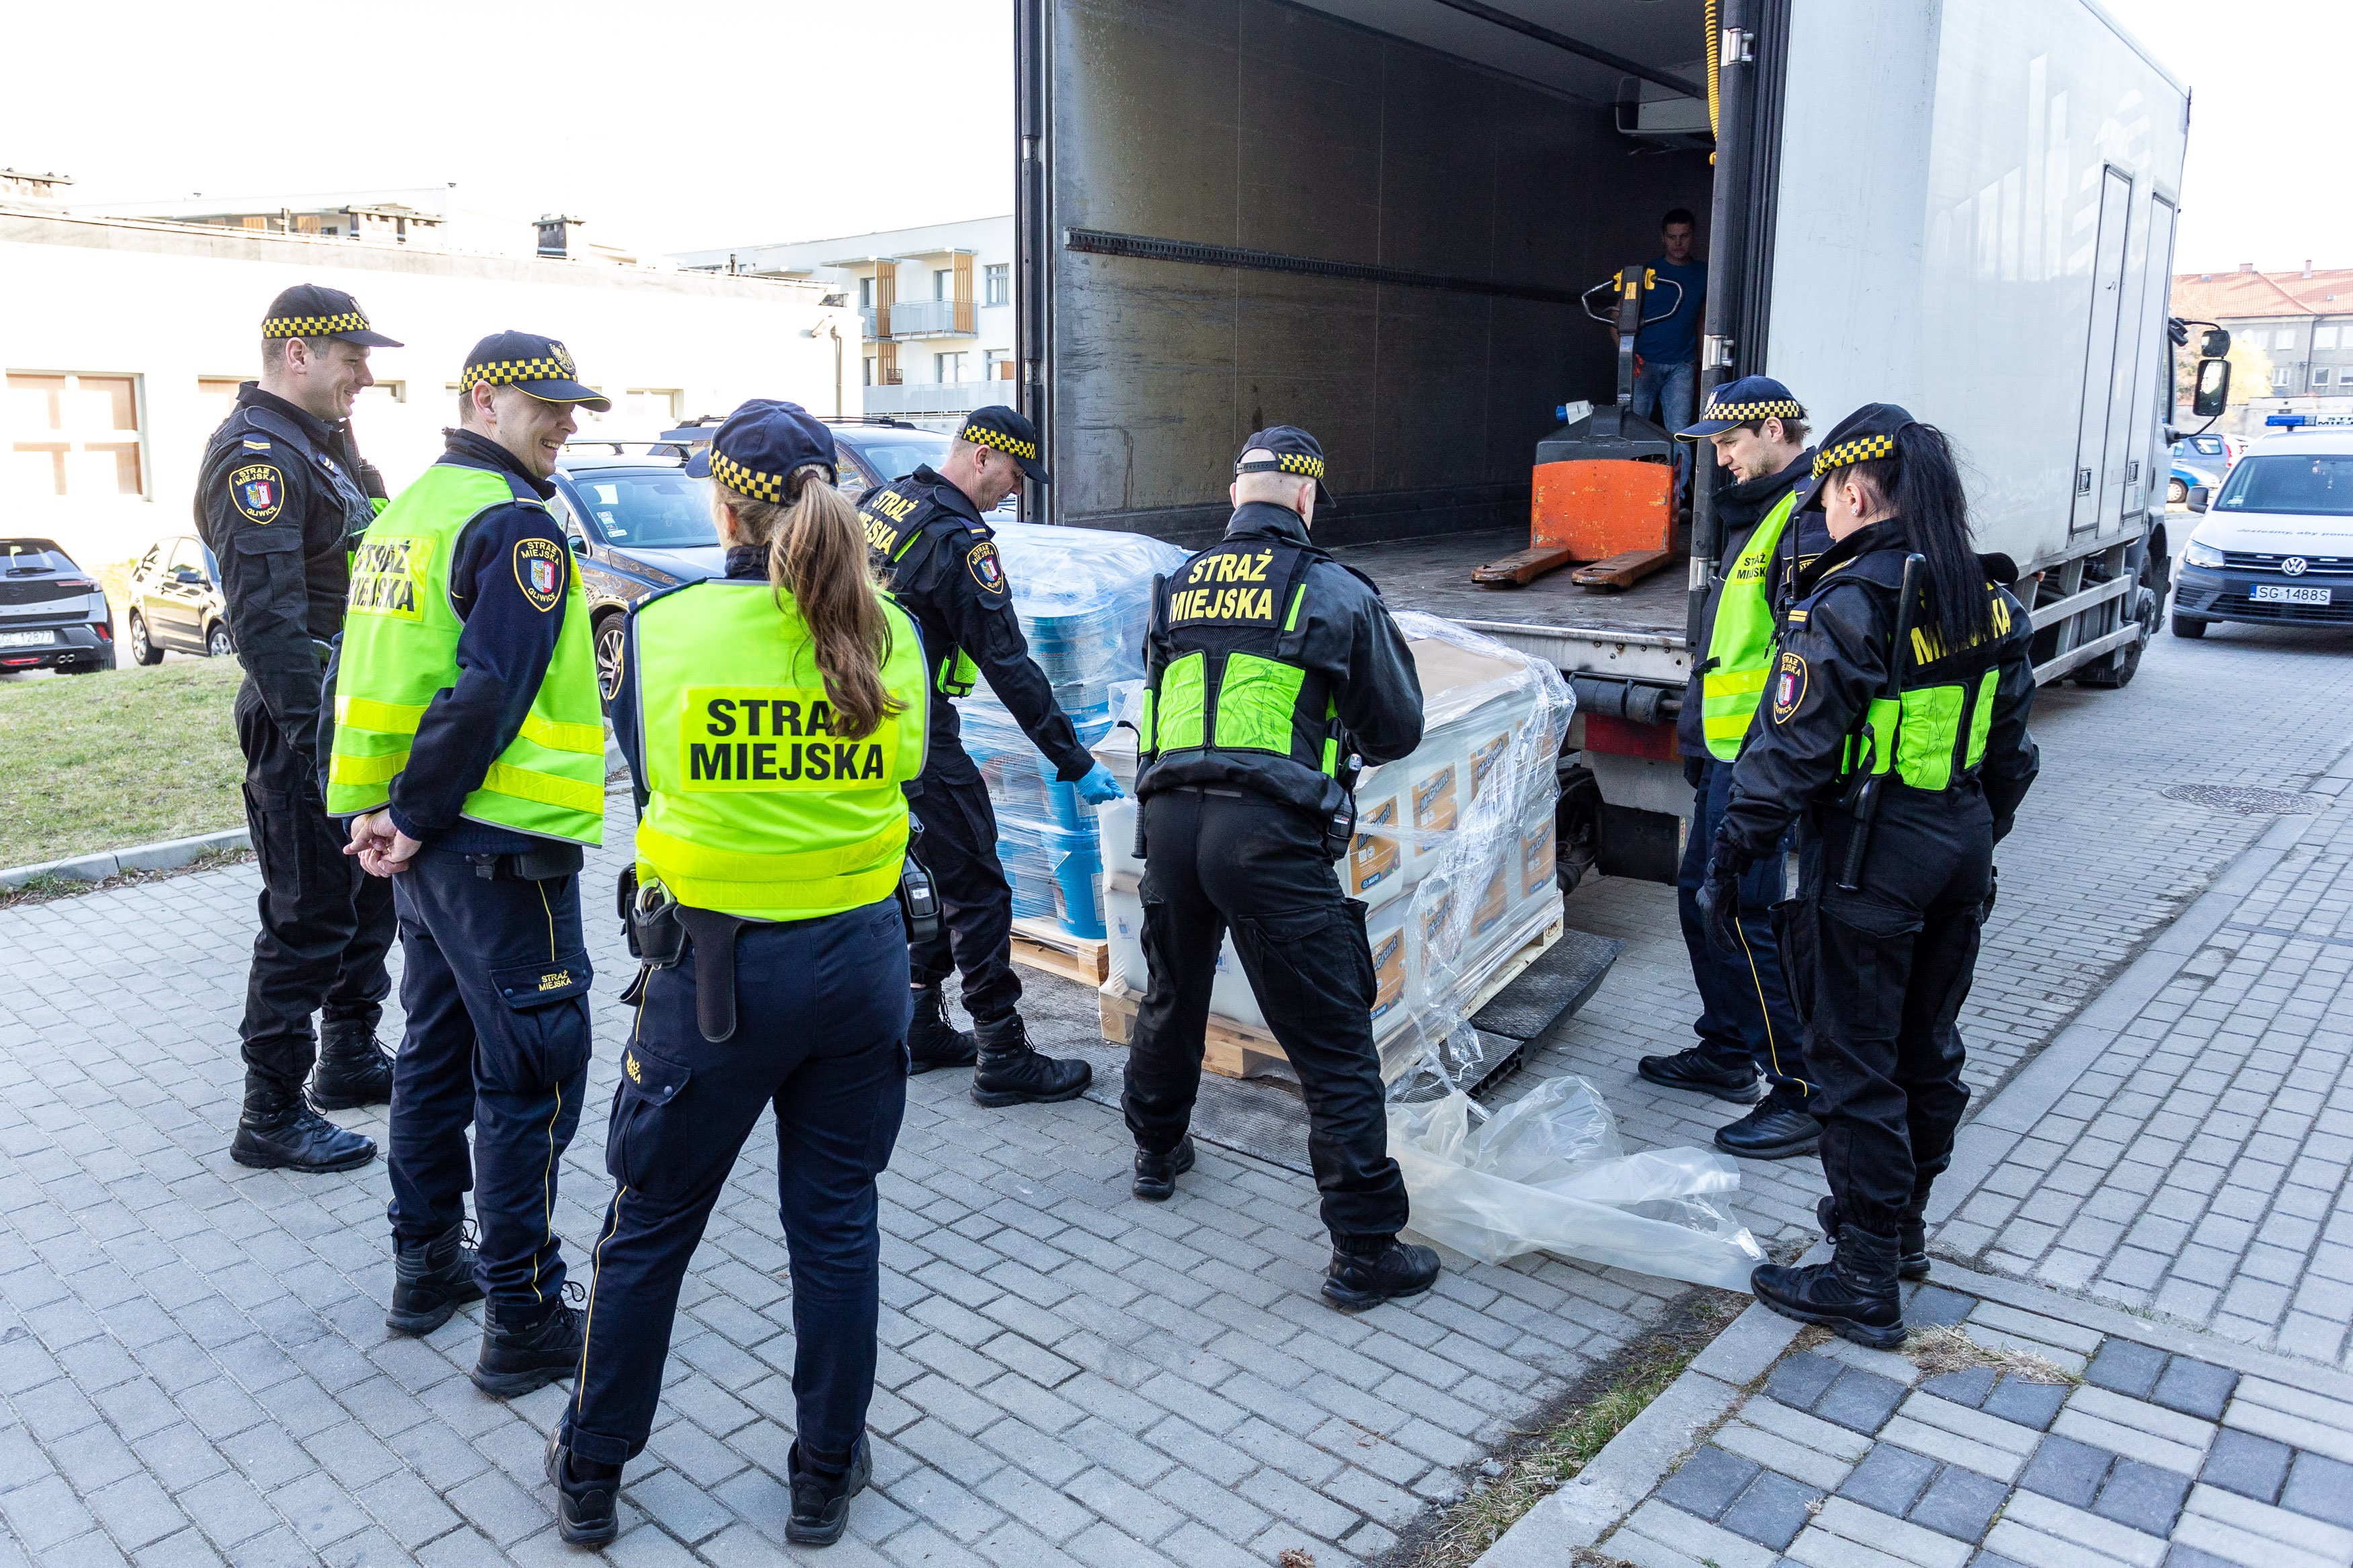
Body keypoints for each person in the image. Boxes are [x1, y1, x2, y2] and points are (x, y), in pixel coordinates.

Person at [547, 402, 926, 1549]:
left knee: (652, 1221)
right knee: (835, 1221)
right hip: (860, 964)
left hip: (714, 982)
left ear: (722, 503)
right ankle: (823, 1470)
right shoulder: (888, 630)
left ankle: (595, 1468)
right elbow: (907, 764)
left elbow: (649, 772)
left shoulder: (655, 630)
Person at [1698, 404, 2038, 1348]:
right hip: (1958, 846)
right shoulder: (1986, 594)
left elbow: (1789, 754)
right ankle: (1899, 1233)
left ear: (1853, 488)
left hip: (1866, 859)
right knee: (1928, 1050)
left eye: (1826, 498)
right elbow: (2012, 749)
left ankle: (1860, 1279)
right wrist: (1972, 832)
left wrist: (1729, 862)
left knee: (1853, 1066)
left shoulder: (1851, 600)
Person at [323, 332, 610, 1387]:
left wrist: (377, 810)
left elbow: (371, 672)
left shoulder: (409, 512)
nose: (568, 423)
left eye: (576, 406)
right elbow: (488, 687)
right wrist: (409, 809)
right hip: (495, 847)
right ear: (485, 400)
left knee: (438, 1054)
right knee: (532, 1065)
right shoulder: (513, 524)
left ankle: (425, 1267)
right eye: (549, 405)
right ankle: (526, 1310)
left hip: (432, 847)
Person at [1122, 427, 1437, 1311]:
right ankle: (1366, 1250)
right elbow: (1397, 729)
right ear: (1305, 499)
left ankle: (1156, 1150)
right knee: (1334, 1041)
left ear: (1236, 497)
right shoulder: (1333, 590)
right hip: (1266, 834)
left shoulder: (1176, 586)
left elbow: (1155, 695)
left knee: (1173, 991)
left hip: (1171, 820)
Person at [856, 406, 1122, 1102]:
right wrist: (1073, 759)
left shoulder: (887, 500)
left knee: (925, 875)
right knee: (978, 883)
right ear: (979, 456)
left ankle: (917, 1021)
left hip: (864, 725)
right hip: (918, 732)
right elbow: (1008, 663)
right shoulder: (957, 540)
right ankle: (1001, 1049)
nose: (1013, 490)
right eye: (1010, 474)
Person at [196, 286, 403, 1174]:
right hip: (303, 725)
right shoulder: (258, 460)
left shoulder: (324, 446)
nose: (364, 374)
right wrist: (330, 767)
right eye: (351, 356)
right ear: (296, 353)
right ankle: (269, 1113)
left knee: (369, 901)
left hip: (353, 716)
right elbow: (269, 626)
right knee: (307, 916)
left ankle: (348, 1056)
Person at [1640, 378, 1821, 1159]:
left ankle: (1802, 1089)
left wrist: (1764, 764)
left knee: (1745, 913)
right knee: (1697, 898)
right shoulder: (1757, 519)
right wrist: (1691, 729)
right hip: (1724, 752)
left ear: (1776, 430)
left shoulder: (1806, 520)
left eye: (1729, 443)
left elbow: (1803, 660)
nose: (1720, 459)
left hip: (1760, 761)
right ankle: (1726, 1050)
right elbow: (1727, 646)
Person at [1628, 208, 1707, 509]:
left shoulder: (1703, 273)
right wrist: (1628, 354)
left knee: (1681, 434)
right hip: (1644, 364)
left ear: (1693, 236)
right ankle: (1634, 496)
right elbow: (1618, 315)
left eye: (1684, 236)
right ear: (1663, 237)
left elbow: (1702, 321)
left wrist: (1702, 366)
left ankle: (1676, 504)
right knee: (1635, 429)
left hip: (1681, 365)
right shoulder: (1646, 272)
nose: (1678, 243)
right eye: (1672, 237)